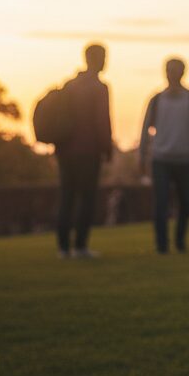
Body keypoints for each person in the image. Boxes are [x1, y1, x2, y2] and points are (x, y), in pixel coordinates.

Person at [138, 56, 189, 254]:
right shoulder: (156, 100)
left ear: (182, 73)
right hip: (160, 159)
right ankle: (162, 246)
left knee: (186, 203)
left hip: (185, 159)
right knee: (160, 204)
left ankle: (180, 241)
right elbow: (145, 129)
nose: (171, 74)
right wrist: (142, 156)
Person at [54, 42, 114, 258]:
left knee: (67, 197)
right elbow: (102, 122)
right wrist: (107, 150)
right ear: (95, 59)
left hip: (65, 151)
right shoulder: (99, 87)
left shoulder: (70, 85)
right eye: (104, 57)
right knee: (86, 198)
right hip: (88, 151)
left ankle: (63, 248)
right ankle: (80, 246)